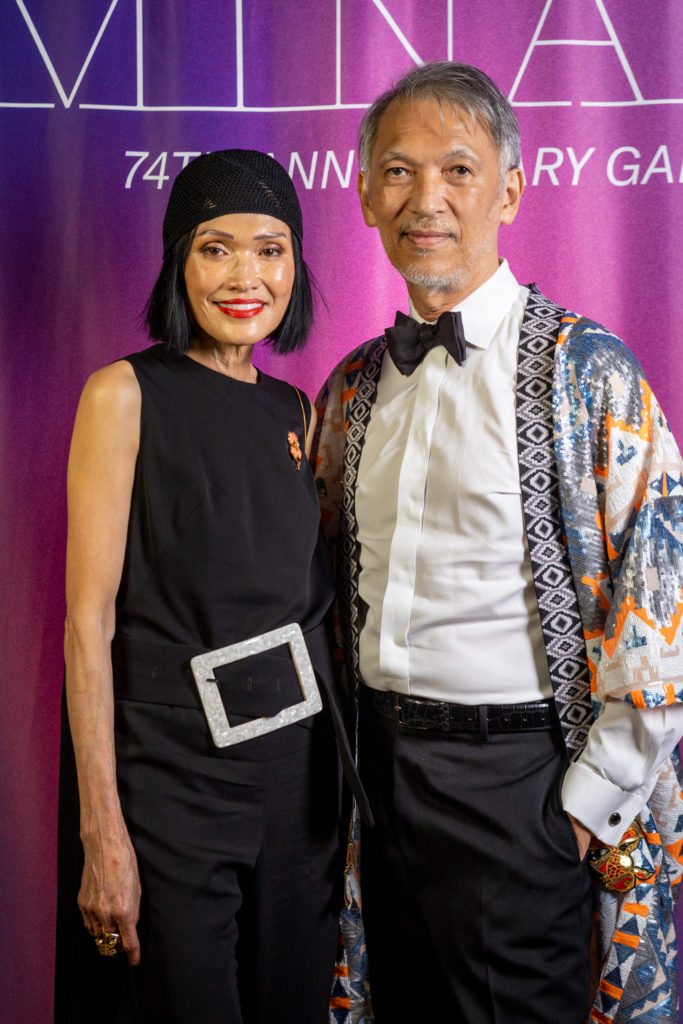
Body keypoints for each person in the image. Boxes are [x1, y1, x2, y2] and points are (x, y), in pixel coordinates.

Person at [313, 62, 683, 1024]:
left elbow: (662, 598)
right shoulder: (350, 391)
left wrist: (578, 808)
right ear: (361, 193)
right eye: (396, 172)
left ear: (511, 190)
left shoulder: (586, 372)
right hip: (376, 783)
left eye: (457, 171)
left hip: (519, 785)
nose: (423, 200)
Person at [57, 149, 349, 1024]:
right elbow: (85, 623)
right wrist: (101, 828)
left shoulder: (297, 412)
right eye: (215, 248)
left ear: (295, 267)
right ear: (178, 261)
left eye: (270, 249)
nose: (244, 276)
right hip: (175, 787)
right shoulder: (123, 394)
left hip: (298, 785)